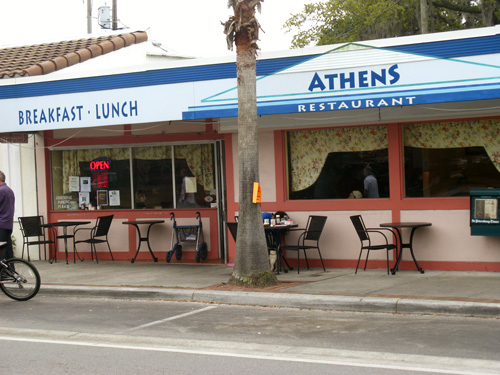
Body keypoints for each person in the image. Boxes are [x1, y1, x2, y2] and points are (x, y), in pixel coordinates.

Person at [0, 171, 15, 260]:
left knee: (2, 252)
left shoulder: (1, 191)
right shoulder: (9, 190)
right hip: (7, 224)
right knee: (8, 251)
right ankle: (10, 272)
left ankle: (4, 272)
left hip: (1, 224)